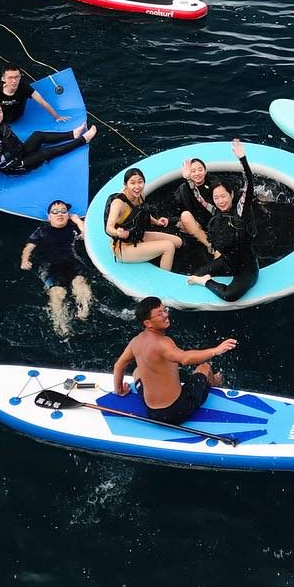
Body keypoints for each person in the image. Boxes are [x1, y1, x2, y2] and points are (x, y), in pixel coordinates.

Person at [112, 296, 237, 425]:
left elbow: (119, 365)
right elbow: (185, 358)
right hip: (176, 411)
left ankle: (127, 391)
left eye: (165, 310)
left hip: (152, 412)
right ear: (148, 323)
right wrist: (215, 350)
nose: (166, 315)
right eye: (160, 314)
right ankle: (215, 382)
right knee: (204, 368)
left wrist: (119, 390)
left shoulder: (135, 342)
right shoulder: (163, 343)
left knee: (137, 371)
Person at [187, 139, 261, 304]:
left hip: (246, 268)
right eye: (216, 197)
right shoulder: (215, 211)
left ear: (231, 195)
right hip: (227, 261)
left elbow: (249, 183)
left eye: (223, 196)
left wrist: (242, 159)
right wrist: (190, 179)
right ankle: (203, 278)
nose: (220, 201)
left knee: (229, 296)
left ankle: (205, 281)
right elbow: (198, 197)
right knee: (196, 274)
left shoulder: (240, 211)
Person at [21, 199, 93, 337]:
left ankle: (83, 312)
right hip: (52, 266)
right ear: (49, 217)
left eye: (63, 211)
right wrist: (24, 260)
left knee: (79, 283)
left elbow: (87, 236)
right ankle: (62, 326)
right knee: (57, 293)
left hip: (73, 262)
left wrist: (78, 221)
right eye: (55, 212)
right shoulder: (41, 231)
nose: (59, 214)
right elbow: (29, 247)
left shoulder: (73, 228)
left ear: (68, 215)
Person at [0, 99, 96, 174]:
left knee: (38, 135)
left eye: (0, 111)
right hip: (14, 165)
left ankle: (73, 134)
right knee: (47, 153)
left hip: (18, 151)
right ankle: (84, 139)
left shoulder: (0, 125)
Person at [104, 169, 184, 270]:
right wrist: (117, 232)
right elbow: (109, 228)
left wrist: (156, 221)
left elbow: (140, 212)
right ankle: (163, 280)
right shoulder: (119, 203)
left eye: (140, 182)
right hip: (124, 247)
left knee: (178, 242)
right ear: (125, 185)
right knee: (168, 247)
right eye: (132, 183)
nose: (137, 186)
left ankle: (151, 252)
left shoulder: (140, 195)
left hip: (137, 235)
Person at [172, 155, 221, 252]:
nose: (197, 173)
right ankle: (209, 245)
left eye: (200, 170)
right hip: (199, 223)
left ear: (205, 171)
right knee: (185, 216)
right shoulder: (184, 189)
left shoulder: (215, 183)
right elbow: (177, 207)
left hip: (218, 219)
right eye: (193, 171)